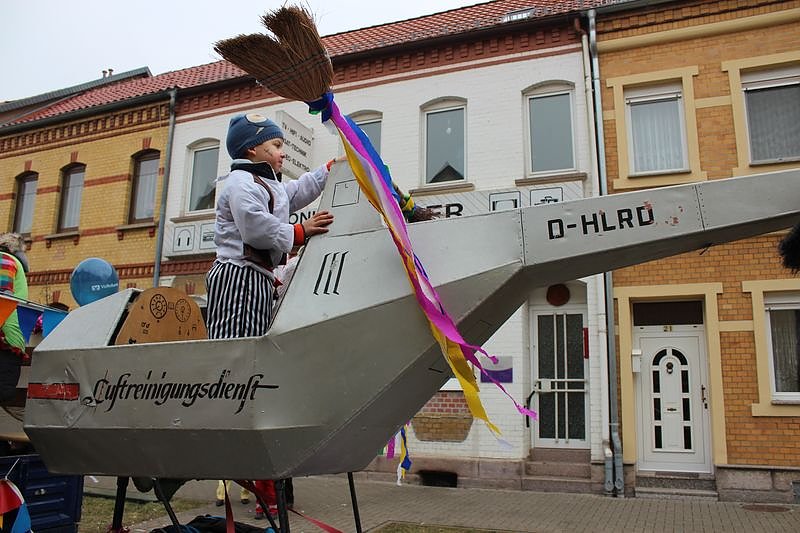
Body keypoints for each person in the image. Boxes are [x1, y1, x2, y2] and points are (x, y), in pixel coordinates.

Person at [206, 112, 336, 519]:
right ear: (252, 149)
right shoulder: (241, 183)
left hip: (260, 280)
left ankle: (266, 479)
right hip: (237, 279)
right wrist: (301, 232)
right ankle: (250, 469)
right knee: (243, 368)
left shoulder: (270, 184)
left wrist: (331, 169)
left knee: (261, 373)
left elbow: (296, 192)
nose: (283, 152)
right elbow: (257, 229)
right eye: (277, 145)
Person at [0, 233, 29, 405]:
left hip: (7, 339)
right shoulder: (6, 259)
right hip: (6, 340)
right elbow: (3, 295)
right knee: (5, 390)